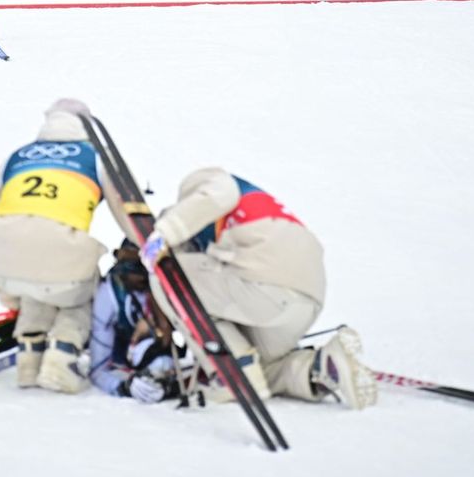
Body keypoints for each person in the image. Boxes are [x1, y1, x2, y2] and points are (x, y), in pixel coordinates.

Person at [138, 167, 377, 409]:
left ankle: (234, 372)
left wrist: (164, 234)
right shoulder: (259, 212)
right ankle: (320, 367)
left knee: (168, 278)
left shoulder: (211, 185)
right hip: (305, 301)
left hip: (265, 285)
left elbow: (220, 191)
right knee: (260, 368)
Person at [0, 99, 124, 393]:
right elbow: (126, 208)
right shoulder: (97, 157)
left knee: (38, 284)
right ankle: (63, 358)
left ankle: (29, 359)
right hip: (60, 258)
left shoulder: (16, 157)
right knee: (81, 288)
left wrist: (10, 298)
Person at [89, 243, 184, 402]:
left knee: (162, 363)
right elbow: (97, 371)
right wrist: (123, 387)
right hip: (120, 355)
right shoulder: (108, 296)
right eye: (134, 266)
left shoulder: (161, 288)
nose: (141, 275)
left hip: (153, 352)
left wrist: (159, 323)